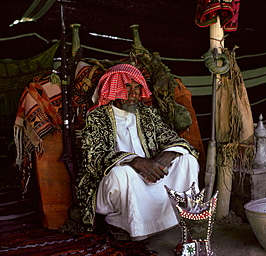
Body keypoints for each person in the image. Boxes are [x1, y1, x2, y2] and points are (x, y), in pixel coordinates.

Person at [75, 63, 200, 241]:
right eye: (127, 88)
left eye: (137, 88)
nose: (134, 94)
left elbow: (171, 138)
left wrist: (167, 156)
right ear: (113, 89)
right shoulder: (97, 117)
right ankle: (135, 228)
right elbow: (92, 159)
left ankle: (182, 216)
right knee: (122, 172)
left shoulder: (147, 113)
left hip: (150, 176)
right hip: (116, 185)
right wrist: (135, 161)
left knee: (187, 160)